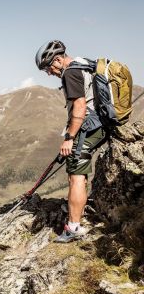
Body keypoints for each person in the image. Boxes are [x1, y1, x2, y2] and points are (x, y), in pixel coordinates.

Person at [35, 40, 106, 243]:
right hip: (97, 124)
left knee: (76, 177)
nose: (49, 73)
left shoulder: (70, 72)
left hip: (87, 128)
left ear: (57, 59)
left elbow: (80, 106)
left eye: (49, 68)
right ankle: (75, 212)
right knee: (76, 174)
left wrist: (69, 138)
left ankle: (73, 227)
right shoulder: (83, 63)